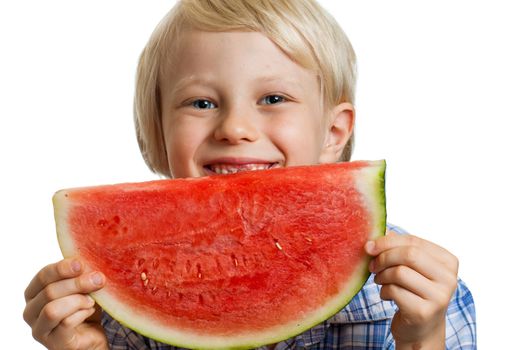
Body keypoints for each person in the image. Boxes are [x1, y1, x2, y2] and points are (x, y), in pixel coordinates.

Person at [23, 0, 476, 349]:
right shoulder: (110, 296)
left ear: (333, 132)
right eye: (201, 103)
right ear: (157, 136)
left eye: (274, 98)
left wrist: (423, 338)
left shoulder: (417, 289)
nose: (236, 128)